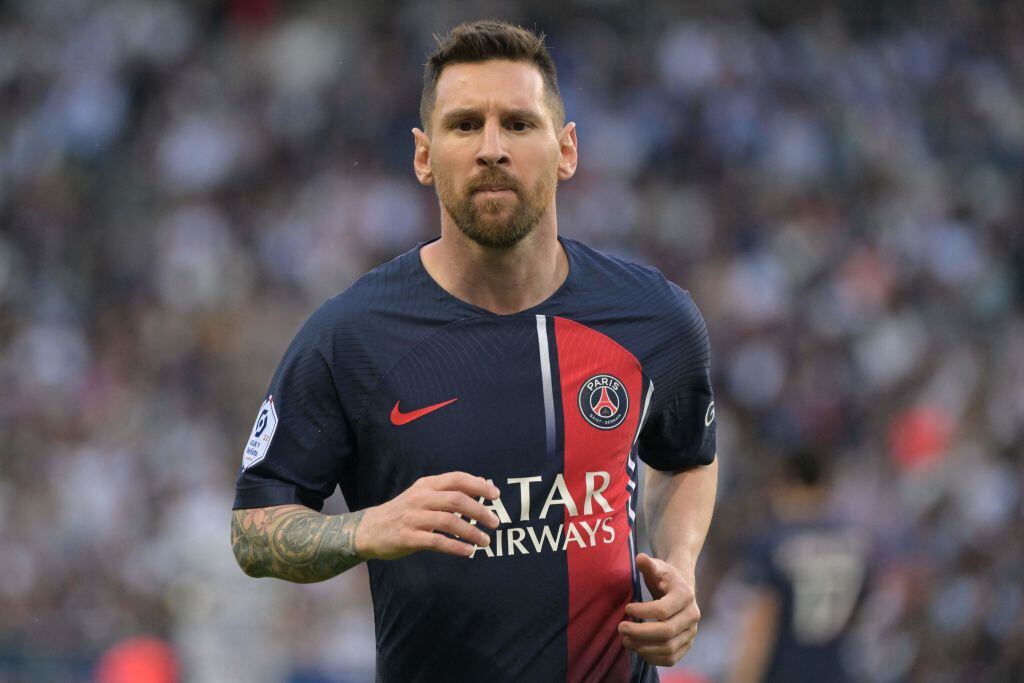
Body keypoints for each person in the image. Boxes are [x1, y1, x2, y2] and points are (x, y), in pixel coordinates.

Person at [231, 19, 718, 682]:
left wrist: (680, 570)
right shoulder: (352, 336)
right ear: (424, 155)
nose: (492, 148)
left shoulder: (654, 319)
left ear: (566, 149)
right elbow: (253, 528)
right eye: (465, 125)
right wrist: (366, 528)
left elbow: (687, 460)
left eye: (518, 123)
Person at [726, 449, 872, 683]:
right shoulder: (854, 544)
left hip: (786, 672)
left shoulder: (772, 544)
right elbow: (856, 617)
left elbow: (760, 628)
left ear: (784, 482)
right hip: (837, 672)